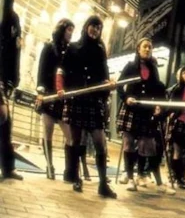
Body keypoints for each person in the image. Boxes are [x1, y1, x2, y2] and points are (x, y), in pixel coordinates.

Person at [55, 15, 116, 197]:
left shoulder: (100, 50)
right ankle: (77, 178)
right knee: (76, 141)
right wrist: (60, 88)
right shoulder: (73, 48)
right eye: (93, 26)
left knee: (100, 142)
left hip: (94, 100)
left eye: (98, 27)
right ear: (86, 26)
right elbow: (62, 70)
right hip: (77, 99)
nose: (95, 30)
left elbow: (104, 75)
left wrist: (108, 83)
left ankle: (103, 184)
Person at [117, 38, 171, 193]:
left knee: (148, 146)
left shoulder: (153, 68)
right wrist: (126, 98)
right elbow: (120, 85)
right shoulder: (130, 66)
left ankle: (151, 179)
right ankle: (130, 178)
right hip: (131, 108)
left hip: (146, 110)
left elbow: (157, 90)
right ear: (138, 49)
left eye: (150, 47)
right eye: (145, 47)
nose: (147, 49)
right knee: (128, 143)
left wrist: (159, 105)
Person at [36, 19, 75, 181]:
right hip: (49, 94)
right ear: (62, 30)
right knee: (48, 132)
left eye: (72, 30)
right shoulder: (49, 47)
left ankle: (69, 170)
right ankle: (49, 165)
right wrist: (40, 92)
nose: (71, 33)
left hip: (64, 96)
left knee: (70, 135)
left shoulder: (71, 50)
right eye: (69, 30)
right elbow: (42, 70)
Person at [0, 0, 21, 180]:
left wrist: (12, 79)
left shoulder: (12, 15)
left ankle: (8, 166)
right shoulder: (5, 5)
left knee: (5, 121)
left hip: (4, 75)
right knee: (3, 117)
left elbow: (15, 50)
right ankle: (7, 166)